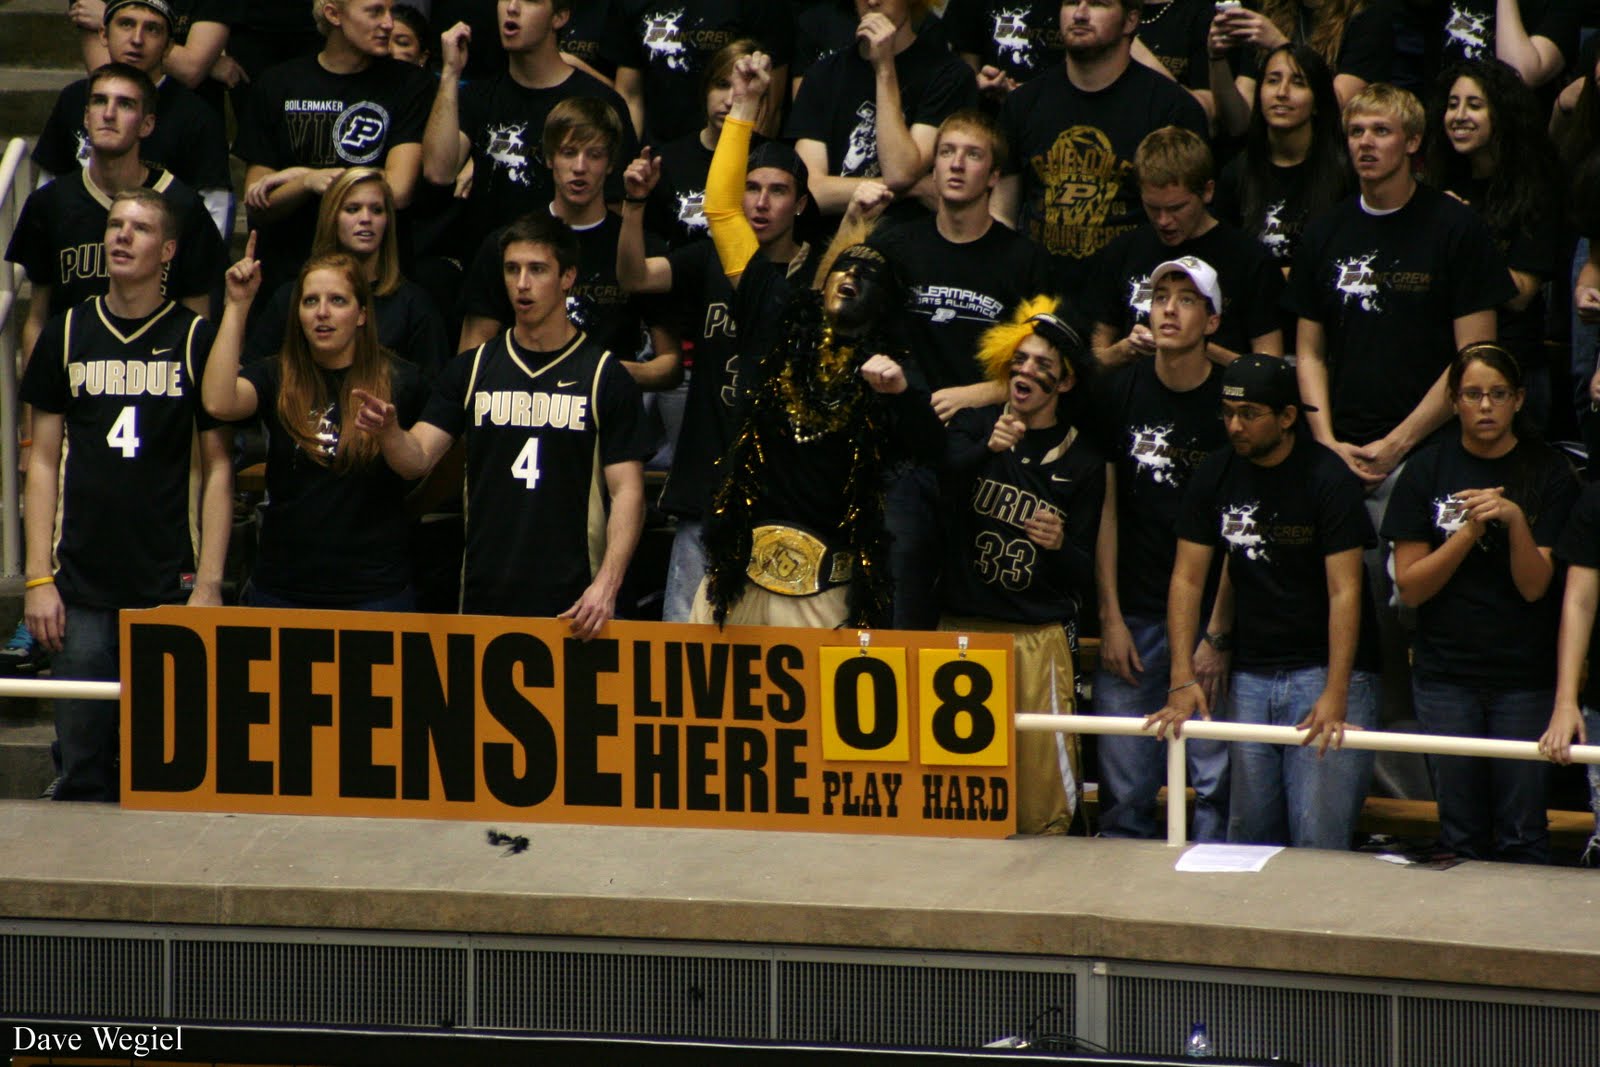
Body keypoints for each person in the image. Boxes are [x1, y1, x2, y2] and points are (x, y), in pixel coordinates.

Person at [690, 50, 944, 628]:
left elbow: (934, 454)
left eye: (870, 275)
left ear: (886, 305)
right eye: (845, 267)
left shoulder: (891, 367)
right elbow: (723, 213)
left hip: (826, 596)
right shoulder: (778, 309)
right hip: (738, 577)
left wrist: (902, 393)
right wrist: (747, 106)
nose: (852, 277)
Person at [1289, 84, 1512, 721]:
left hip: (1431, 452)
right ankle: (1372, 791)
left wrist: (1397, 445)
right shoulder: (1327, 229)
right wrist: (1327, 441)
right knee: (1346, 614)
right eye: (1357, 132)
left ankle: (1425, 795)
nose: (1365, 143)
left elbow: (1477, 358)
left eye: (1381, 132)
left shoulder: (1454, 227)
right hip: (1338, 451)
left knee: (1417, 614)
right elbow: (1307, 351)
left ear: (1413, 142)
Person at [22, 189, 233, 802]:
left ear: (166, 250)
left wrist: (213, 583)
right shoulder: (65, 332)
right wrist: (38, 577)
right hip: (82, 580)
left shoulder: (196, 338)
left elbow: (219, 468)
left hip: (169, 578)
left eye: (139, 228)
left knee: (168, 774)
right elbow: (41, 461)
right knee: (82, 776)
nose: (121, 236)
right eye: (115, 225)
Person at [353, 212, 653, 630]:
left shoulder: (605, 375)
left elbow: (628, 494)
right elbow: (416, 459)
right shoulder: (472, 369)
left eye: (537, 269)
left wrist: (607, 585)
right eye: (512, 269)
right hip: (485, 591)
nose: (522, 284)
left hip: (576, 598)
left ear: (567, 277)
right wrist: (389, 434)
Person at [1151, 354, 1380, 851]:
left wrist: (1336, 692)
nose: (1235, 425)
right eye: (1228, 413)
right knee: (1249, 839)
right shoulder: (1215, 473)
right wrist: (1180, 677)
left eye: (1250, 414)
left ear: (1287, 417)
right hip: (1252, 673)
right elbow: (1187, 578)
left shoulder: (1328, 479)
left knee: (1318, 839)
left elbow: (1346, 590)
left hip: (1325, 669)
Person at [859, 108, 1056, 629]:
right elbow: (851, 329)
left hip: (988, 451)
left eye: (972, 155)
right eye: (946, 152)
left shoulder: (1023, 259)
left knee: (978, 619)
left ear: (994, 176)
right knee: (901, 617)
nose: (956, 165)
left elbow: (1050, 365)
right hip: (905, 457)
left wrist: (980, 394)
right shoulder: (896, 246)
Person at [1383, 344, 1577, 863]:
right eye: (1472, 395)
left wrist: (1514, 521)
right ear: (1454, 402)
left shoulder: (1550, 470)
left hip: (1525, 678)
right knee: (1459, 832)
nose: (1485, 406)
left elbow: (1536, 586)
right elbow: (1411, 587)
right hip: (1445, 675)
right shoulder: (1426, 470)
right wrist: (1468, 533)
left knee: (1522, 831)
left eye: (1497, 394)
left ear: (1517, 400)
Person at [616, 138, 814, 621]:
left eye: (778, 190)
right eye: (750, 188)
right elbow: (634, 277)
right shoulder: (708, 258)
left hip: (786, 494)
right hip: (708, 480)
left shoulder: (819, 273)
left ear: (802, 203)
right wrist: (635, 206)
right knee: (685, 634)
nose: (761, 202)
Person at [940, 297, 1105, 834]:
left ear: (1065, 384)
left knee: (1043, 806)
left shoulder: (1083, 459)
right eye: (1022, 359)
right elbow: (935, 495)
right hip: (962, 631)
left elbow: (1085, 574)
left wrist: (1059, 546)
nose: (1026, 371)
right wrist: (986, 450)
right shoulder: (973, 428)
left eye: (1042, 366)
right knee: (959, 796)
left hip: (1038, 636)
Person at [204, 238, 428, 611]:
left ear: (361, 314)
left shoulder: (402, 381)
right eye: (310, 301)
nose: (322, 312)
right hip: (283, 589)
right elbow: (218, 400)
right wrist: (237, 306)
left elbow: (420, 464)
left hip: (375, 593)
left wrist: (391, 434)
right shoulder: (276, 373)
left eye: (337, 301)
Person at [1090, 257, 1232, 840]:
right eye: (1160, 296)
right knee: (1124, 793)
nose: (1169, 308)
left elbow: (1244, 521)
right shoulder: (1119, 389)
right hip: (1136, 612)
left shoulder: (1234, 399)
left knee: (1218, 783)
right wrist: (1110, 615)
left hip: (1211, 619)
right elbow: (1105, 508)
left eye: (1187, 298)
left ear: (1212, 319)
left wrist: (1218, 635)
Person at [456, 99, 682, 390]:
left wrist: (603, 374)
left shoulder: (639, 247)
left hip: (608, 410)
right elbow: (470, 358)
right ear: (550, 158)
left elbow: (670, 365)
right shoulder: (508, 245)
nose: (579, 167)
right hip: (521, 403)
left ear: (611, 162)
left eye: (595, 155)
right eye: (568, 153)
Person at [8, 64, 223, 367]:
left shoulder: (182, 206)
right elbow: (38, 320)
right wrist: (33, 409)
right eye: (99, 101)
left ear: (147, 125)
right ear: (86, 117)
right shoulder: (50, 202)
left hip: (155, 382)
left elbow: (198, 321)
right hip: (74, 380)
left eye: (125, 104)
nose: (109, 113)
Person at [993, 0, 1208, 293]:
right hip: (1038, 298)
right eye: (1070, 2)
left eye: (1097, 3)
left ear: (1131, 20)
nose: (1080, 14)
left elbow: (1190, 227)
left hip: (1133, 298)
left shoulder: (1171, 109)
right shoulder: (1023, 104)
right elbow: (1002, 214)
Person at [234, 0, 436, 299]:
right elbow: (258, 199)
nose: (389, 23)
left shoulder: (409, 84)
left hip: (374, 284)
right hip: (289, 278)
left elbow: (398, 189)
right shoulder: (278, 83)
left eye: (391, 12)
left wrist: (308, 176)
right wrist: (306, 182)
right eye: (375, 11)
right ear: (333, 13)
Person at [421, 0, 636, 261]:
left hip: (566, 275)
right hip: (491, 272)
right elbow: (438, 172)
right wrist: (451, 72)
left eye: (530, 1)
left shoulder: (599, 102)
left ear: (559, 17)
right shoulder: (480, 96)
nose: (512, 8)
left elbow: (614, 209)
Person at [1425, 59, 1565, 434]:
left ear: (1501, 113)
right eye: (1452, 105)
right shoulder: (1437, 184)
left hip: (1511, 370)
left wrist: (1470, 232)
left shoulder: (1535, 187)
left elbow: (1521, 293)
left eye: (1474, 105)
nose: (1458, 116)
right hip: (1442, 364)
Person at [1088, 125, 1284, 368]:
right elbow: (1093, 361)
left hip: (1219, 401)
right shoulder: (1123, 251)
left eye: (1176, 208)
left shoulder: (1249, 259)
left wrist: (1194, 344)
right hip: (1137, 399)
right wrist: (1126, 349)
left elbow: (1269, 370)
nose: (1163, 221)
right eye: (1152, 207)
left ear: (1208, 191)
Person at [37, 0, 233, 237]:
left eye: (152, 29)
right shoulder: (74, 99)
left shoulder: (197, 116)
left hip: (163, 259)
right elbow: (48, 189)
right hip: (78, 254)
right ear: (104, 34)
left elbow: (215, 209)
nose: (137, 40)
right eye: (126, 24)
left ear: (168, 45)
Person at [242, 168, 449, 380]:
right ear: (332, 216)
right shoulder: (292, 297)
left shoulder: (415, 306)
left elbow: (434, 398)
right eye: (353, 209)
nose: (366, 218)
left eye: (377, 210)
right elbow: (249, 380)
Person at [788, 0, 978, 218]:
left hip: (908, 238)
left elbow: (899, 171)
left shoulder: (949, 76)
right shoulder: (822, 75)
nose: (872, 1)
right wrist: (912, 189)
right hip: (835, 238)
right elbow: (810, 193)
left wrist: (884, 68)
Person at [1211, 44, 1352, 279]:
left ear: (1318, 101)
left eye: (1298, 82)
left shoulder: (1345, 174)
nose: (1282, 92)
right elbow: (1223, 259)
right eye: (1273, 80)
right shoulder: (1235, 174)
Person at [643, 38, 772, 250]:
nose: (731, 100)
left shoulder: (774, 160)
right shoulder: (668, 160)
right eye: (722, 85)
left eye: (746, 86)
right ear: (706, 89)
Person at [607, 0, 793, 142]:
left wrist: (750, 165)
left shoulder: (763, 5)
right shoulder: (631, 4)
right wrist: (626, 161)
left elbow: (770, 105)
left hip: (731, 149)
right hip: (658, 155)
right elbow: (629, 96)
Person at [1206, 0, 1394, 137]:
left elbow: (1337, 107)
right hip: (1270, 153)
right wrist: (1217, 57)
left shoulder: (1368, 15)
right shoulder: (1271, 9)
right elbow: (1238, 122)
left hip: (1330, 159)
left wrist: (1279, 45)